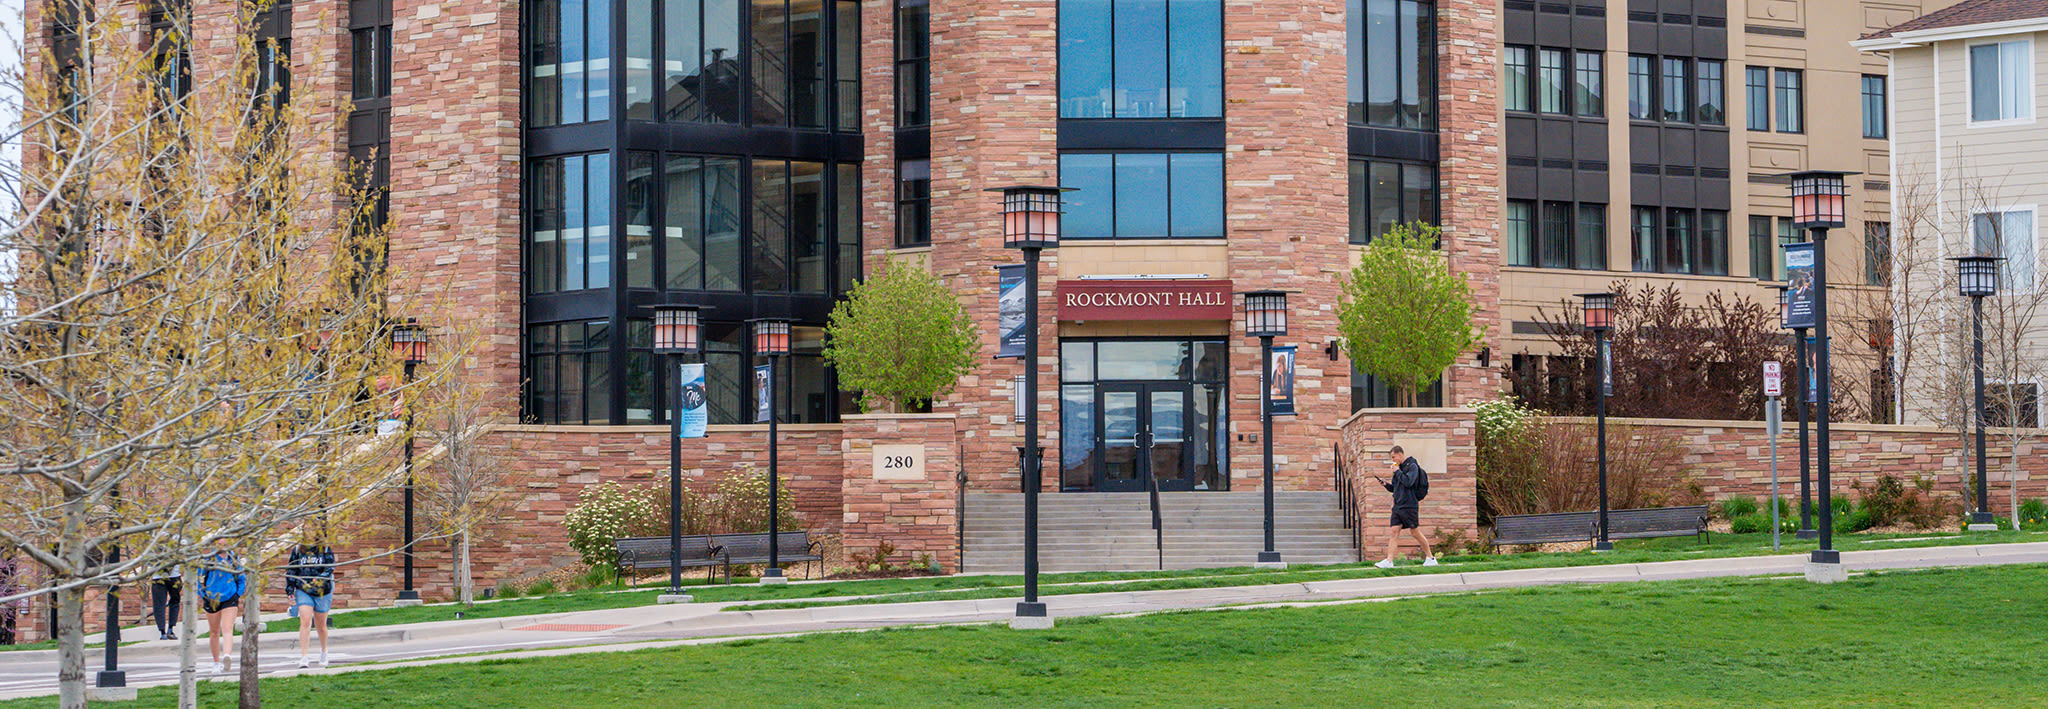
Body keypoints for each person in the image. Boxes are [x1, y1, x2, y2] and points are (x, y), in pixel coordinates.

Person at [1374, 445, 1437, 568]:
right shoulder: (1399, 469)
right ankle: (1389, 561)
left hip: (1409, 505)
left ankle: (1430, 558)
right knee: (1394, 531)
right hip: (1398, 505)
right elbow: (1397, 488)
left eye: (1393, 457)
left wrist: (1397, 471)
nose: (1393, 460)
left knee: (1415, 532)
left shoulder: (1412, 467)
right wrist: (1386, 485)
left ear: (1400, 454)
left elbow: (1408, 482)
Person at [284, 536, 337, 668]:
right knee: (305, 620)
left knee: (321, 626)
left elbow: (330, 568)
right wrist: (290, 590)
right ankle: (304, 657)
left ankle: (324, 652)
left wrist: (319, 579)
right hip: (303, 589)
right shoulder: (298, 550)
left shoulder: (325, 549)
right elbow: (292, 570)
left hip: (322, 591)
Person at [198, 537, 247, 674]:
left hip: (230, 596)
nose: (222, 546)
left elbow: (241, 577)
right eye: (220, 544)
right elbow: (198, 579)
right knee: (214, 631)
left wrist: (238, 593)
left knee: (227, 628)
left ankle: (227, 656)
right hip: (211, 597)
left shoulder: (233, 560)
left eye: (225, 544)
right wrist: (203, 595)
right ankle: (216, 662)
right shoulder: (208, 560)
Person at [149, 564, 181, 641]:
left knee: (161, 605)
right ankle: (167, 630)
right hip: (169, 577)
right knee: (172, 602)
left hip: (163, 577)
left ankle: (165, 631)